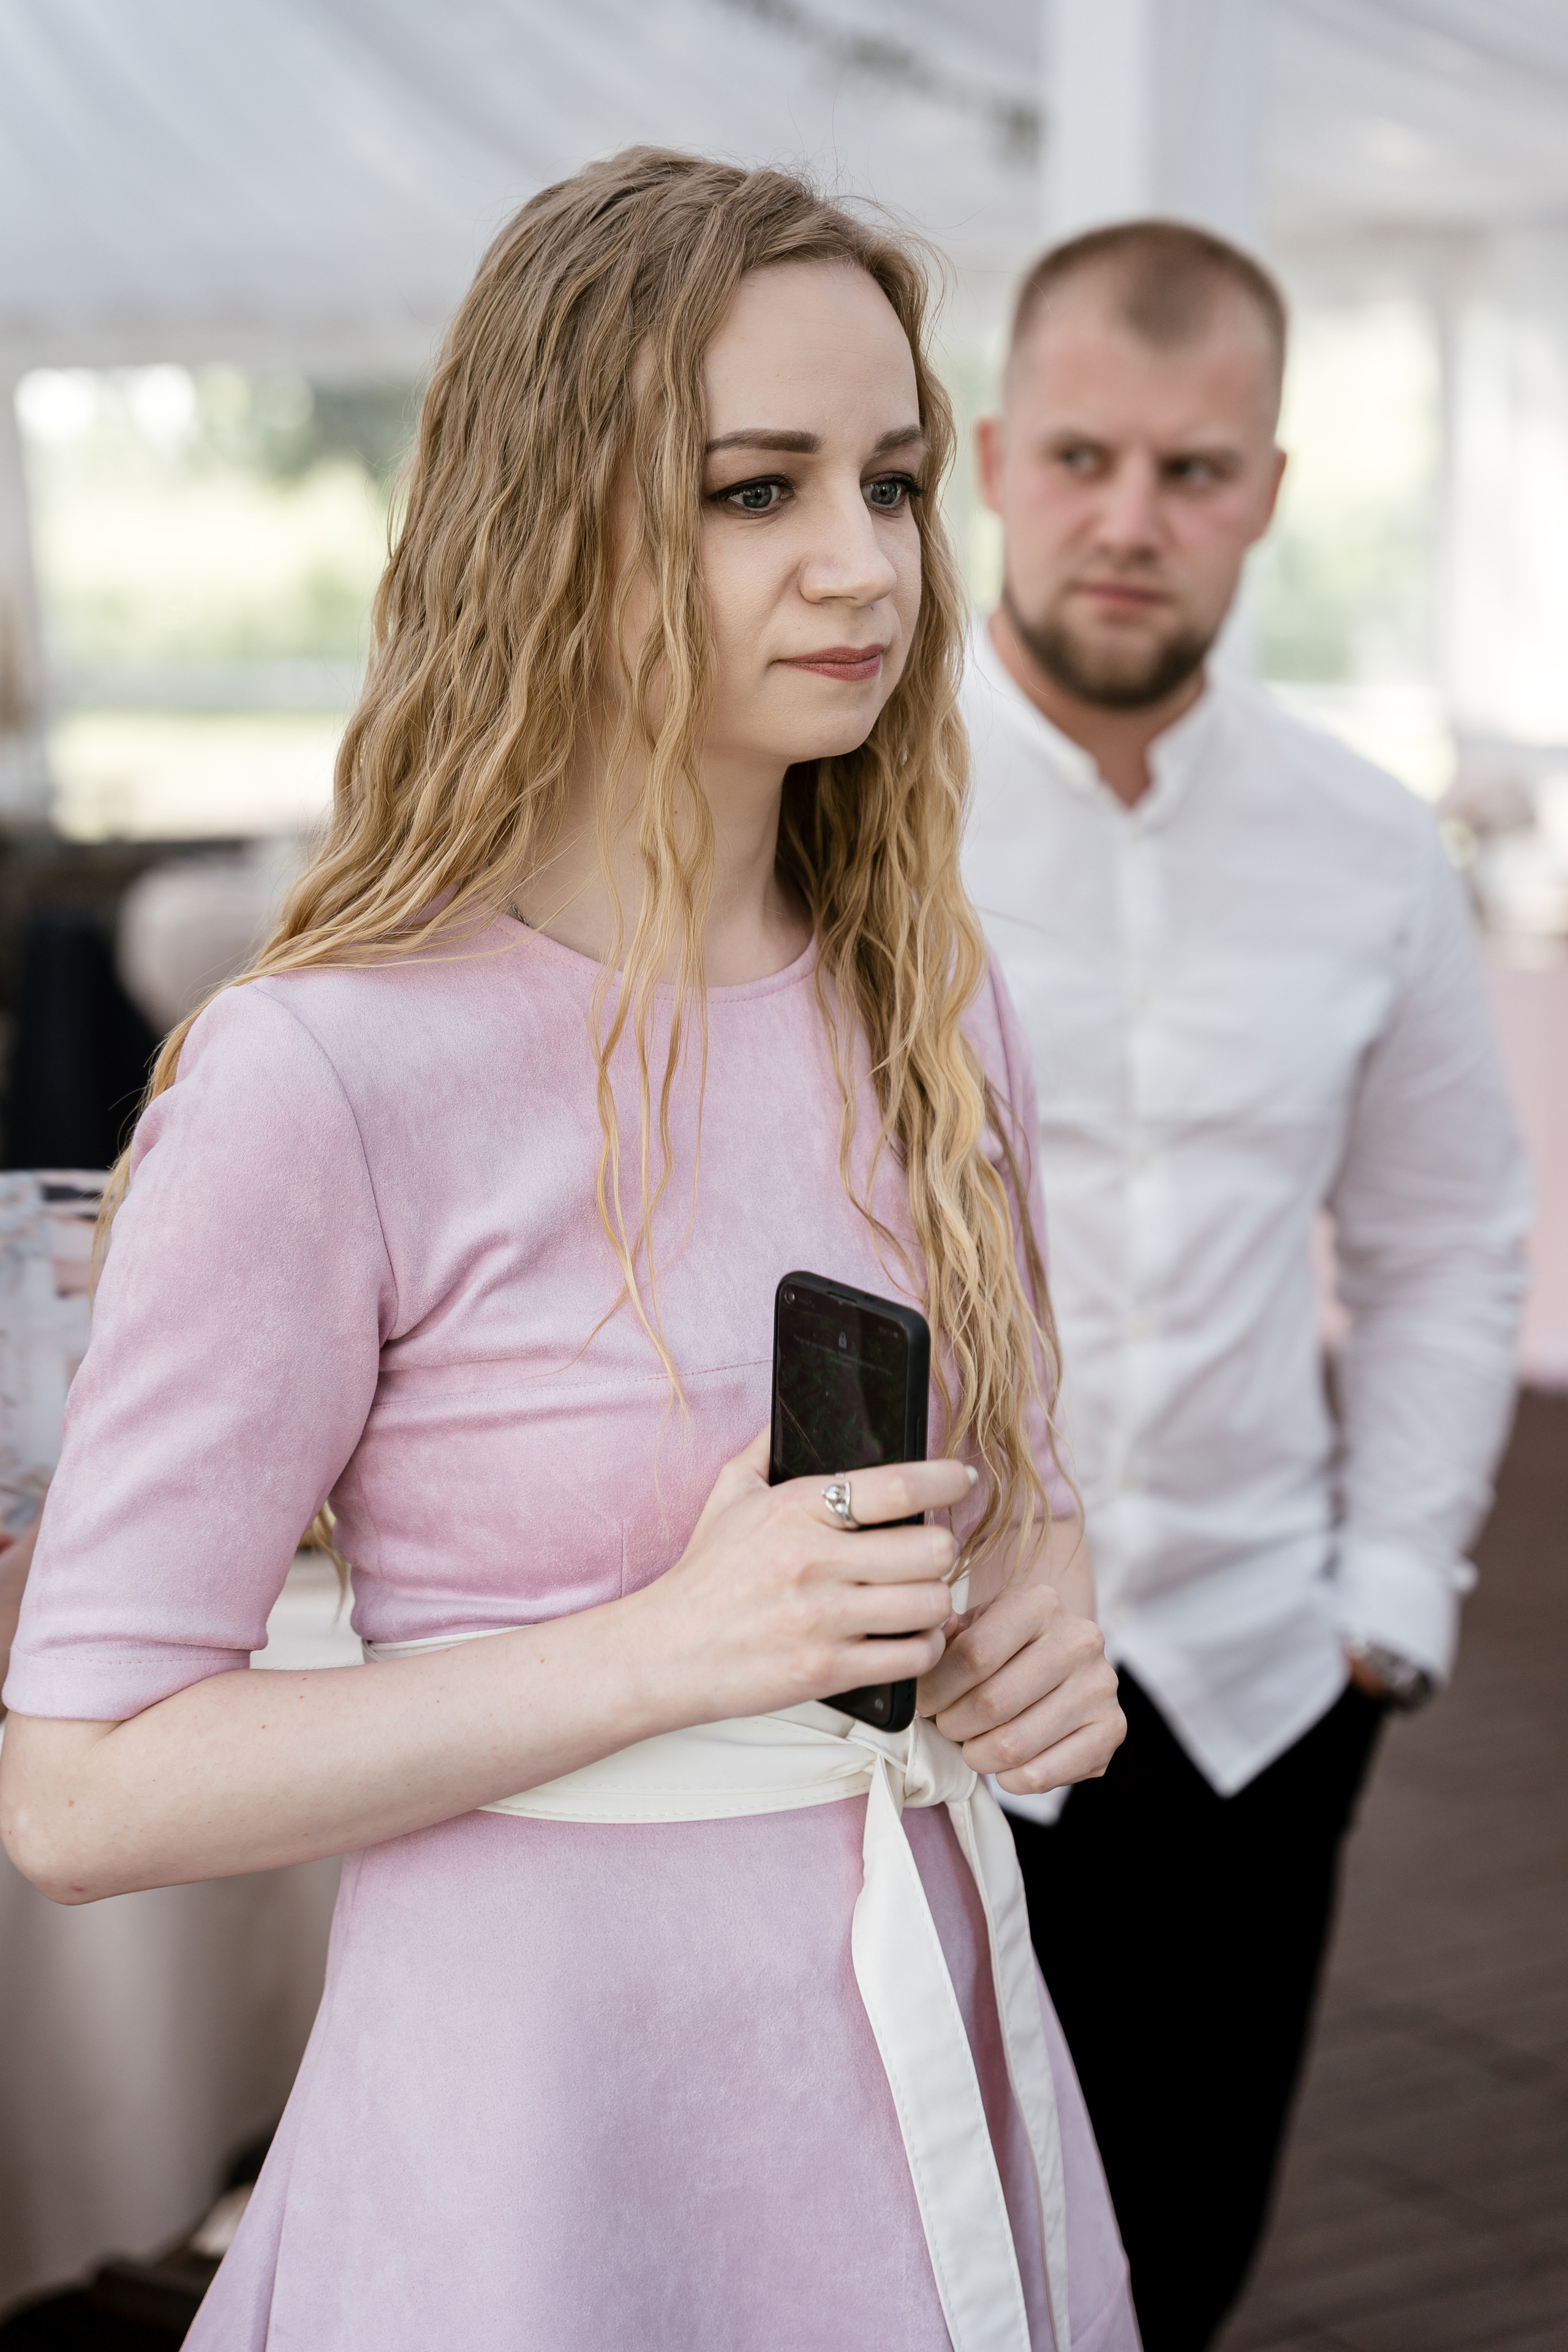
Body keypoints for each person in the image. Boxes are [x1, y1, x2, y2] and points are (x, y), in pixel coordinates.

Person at [0, 153, 1136, 2352]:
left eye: (894, 482)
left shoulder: (933, 1000)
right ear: (559, 521)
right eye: (754, 490)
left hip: (928, 2093)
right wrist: (670, 1648)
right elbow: (78, 1789)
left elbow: (1021, 1514)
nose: (863, 562)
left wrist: (1039, 1635)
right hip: (535, 2165)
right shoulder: (322, 1072)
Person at [961, 219, 1529, 2352]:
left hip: (1254, 1685)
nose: (1133, 521)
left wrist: (1395, 1601)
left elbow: (1446, 1240)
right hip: (917, 1698)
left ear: (1269, 494)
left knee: (1180, 2259)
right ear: (998, 458)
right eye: (1086, 456)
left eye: (1195, 473)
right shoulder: (832, 805)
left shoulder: (1373, 847)